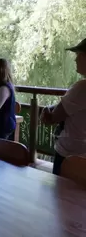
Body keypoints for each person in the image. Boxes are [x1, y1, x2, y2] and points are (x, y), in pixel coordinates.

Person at [41, 38, 86, 175]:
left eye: (78, 55)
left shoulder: (82, 87)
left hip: (72, 156)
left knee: (61, 195)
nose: (75, 60)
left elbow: (53, 117)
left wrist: (46, 112)